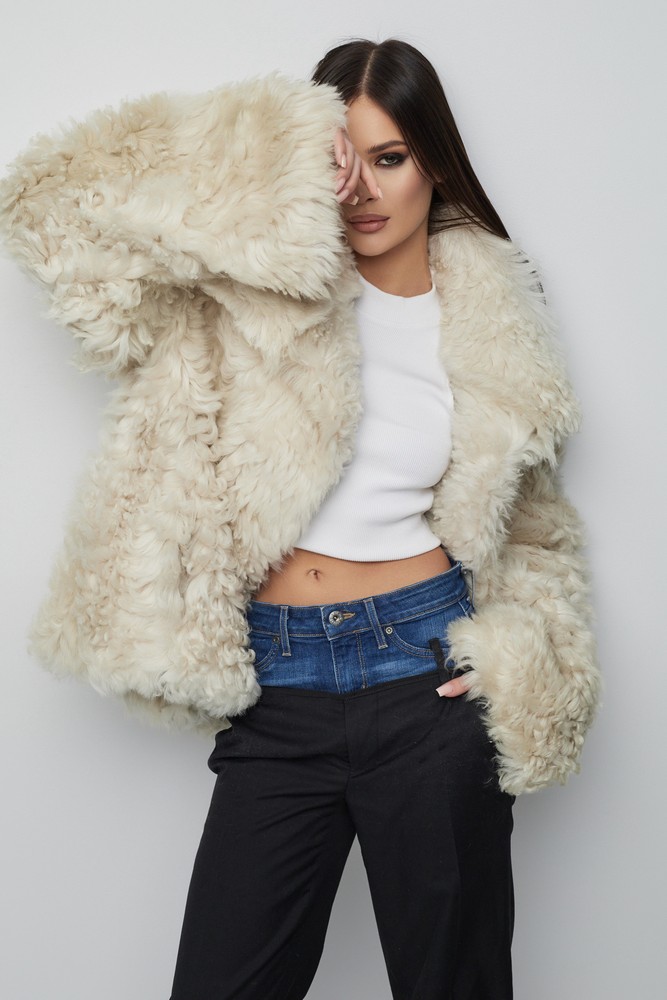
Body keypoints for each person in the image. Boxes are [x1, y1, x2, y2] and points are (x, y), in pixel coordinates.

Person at [0, 37, 600, 1000]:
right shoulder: (249, 289)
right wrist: (268, 147)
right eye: (341, 159)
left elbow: (531, 531)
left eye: (390, 158)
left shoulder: (494, 317)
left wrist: (517, 656)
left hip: (426, 679)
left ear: (434, 163)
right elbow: (45, 208)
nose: (362, 189)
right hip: (278, 690)